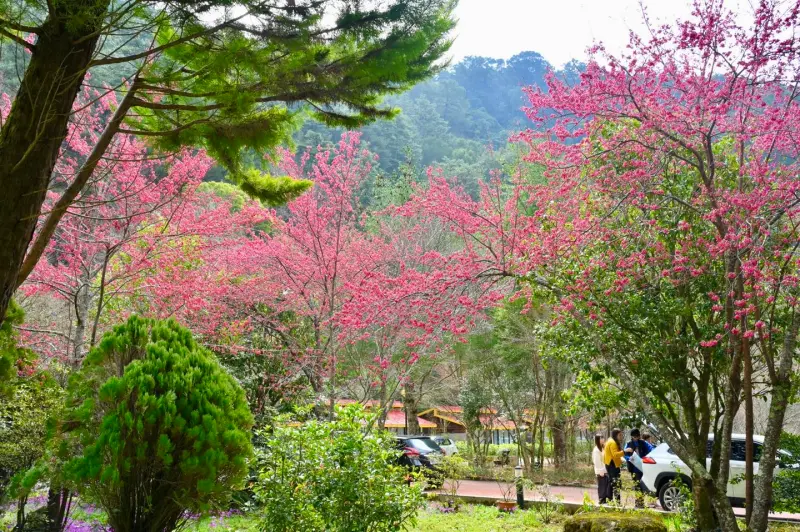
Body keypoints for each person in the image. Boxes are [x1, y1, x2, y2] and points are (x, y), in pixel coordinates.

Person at [625, 428, 651, 508]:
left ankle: (641, 503)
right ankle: (638, 503)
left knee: (643, 486)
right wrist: (629, 458)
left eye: (638, 436)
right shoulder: (628, 444)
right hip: (634, 468)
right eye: (635, 437)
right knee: (637, 486)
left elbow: (650, 449)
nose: (637, 438)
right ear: (632, 437)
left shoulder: (643, 443)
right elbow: (625, 454)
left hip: (643, 467)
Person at [603, 428, 625, 504]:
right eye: (620, 435)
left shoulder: (610, 440)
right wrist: (624, 452)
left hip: (611, 464)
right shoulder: (612, 442)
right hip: (612, 465)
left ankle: (610, 500)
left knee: (612, 482)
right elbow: (615, 455)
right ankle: (616, 501)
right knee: (615, 483)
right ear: (616, 435)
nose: (621, 436)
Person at [592, 434, 609, 504]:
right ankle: (601, 500)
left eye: (603, 438)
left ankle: (605, 499)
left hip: (605, 470)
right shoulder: (596, 450)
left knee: (606, 485)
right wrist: (601, 471)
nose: (602, 439)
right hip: (600, 471)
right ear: (597, 440)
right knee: (602, 485)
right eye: (600, 438)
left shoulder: (603, 447)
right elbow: (596, 461)